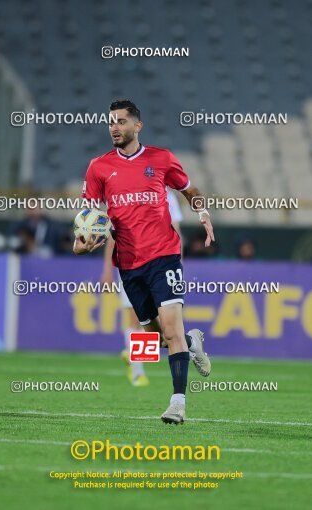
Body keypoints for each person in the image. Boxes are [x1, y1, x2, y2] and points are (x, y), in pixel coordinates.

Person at [73, 99, 215, 425]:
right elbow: (89, 218)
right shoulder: (98, 167)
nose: (114, 127)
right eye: (111, 122)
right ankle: (192, 341)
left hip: (164, 255)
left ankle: (177, 403)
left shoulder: (161, 159)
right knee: (150, 339)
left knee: (170, 328)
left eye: (121, 121)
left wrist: (203, 212)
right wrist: (80, 246)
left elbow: (189, 189)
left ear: (138, 126)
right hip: (129, 263)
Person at [101, 189, 184, 387]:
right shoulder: (126, 193)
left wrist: (178, 263)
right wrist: (107, 270)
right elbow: (114, 235)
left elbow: (175, 229)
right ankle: (137, 372)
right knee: (135, 318)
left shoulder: (167, 197)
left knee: (157, 326)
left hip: (160, 266)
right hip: (129, 265)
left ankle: (132, 356)